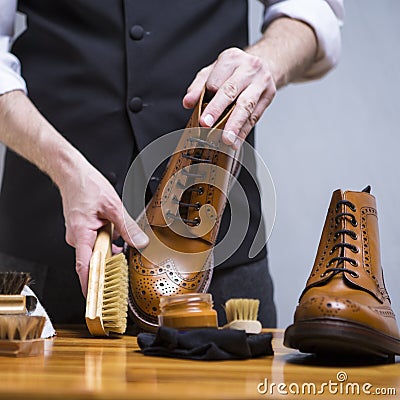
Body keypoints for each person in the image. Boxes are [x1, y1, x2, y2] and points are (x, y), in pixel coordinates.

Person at [0, 0, 343, 326]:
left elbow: (312, 9)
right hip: (43, 254)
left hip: (222, 265)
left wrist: (265, 61)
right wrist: (64, 168)